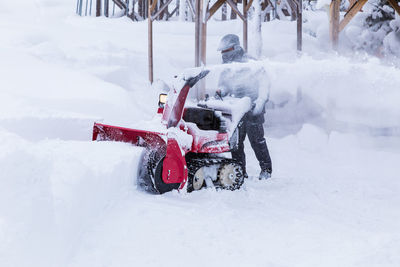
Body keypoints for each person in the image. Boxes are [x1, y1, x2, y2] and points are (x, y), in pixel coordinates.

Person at [217, 34, 272, 180]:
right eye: (222, 52)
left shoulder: (250, 63)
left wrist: (260, 102)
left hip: (254, 108)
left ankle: (266, 170)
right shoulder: (227, 67)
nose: (223, 55)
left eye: (226, 51)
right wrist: (221, 91)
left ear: (235, 48)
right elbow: (224, 85)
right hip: (236, 110)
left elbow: (265, 83)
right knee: (236, 142)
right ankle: (240, 170)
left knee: (256, 140)